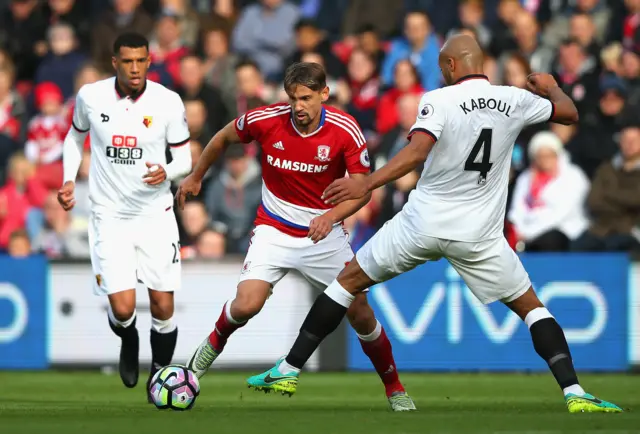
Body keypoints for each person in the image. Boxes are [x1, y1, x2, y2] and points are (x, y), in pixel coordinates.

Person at [245, 35, 623, 414]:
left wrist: (368, 182)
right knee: (532, 308)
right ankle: (574, 392)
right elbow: (569, 113)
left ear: (452, 66)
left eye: (443, 65)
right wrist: (552, 86)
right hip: (479, 234)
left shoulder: (438, 100)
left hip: (422, 223)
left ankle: (289, 369)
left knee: (346, 282)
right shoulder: (516, 99)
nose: (441, 71)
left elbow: (417, 151)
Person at [176, 62, 416, 411]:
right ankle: (201, 360)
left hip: (325, 234)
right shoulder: (265, 119)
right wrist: (197, 175)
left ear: (324, 94)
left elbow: (363, 190)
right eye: (293, 98)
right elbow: (222, 137)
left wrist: (331, 217)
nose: (298, 106)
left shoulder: (345, 130)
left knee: (361, 313)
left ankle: (395, 389)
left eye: (306, 97)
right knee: (246, 304)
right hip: (274, 229)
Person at [57, 32, 192, 402]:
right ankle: (128, 338)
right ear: (115, 62)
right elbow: (73, 137)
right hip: (109, 215)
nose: (135, 68)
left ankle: (159, 378)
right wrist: (68, 179)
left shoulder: (168, 102)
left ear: (150, 61)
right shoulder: (90, 96)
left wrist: (168, 171)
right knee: (123, 307)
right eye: (127, 61)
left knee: (164, 305)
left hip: (155, 214)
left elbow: (185, 159)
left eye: (141, 61)